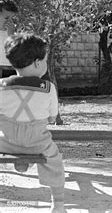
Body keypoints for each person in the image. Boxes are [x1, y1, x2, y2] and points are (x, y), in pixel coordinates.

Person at [0, 33, 65, 213]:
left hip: (6, 142)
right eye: (44, 60)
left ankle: (21, 162)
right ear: (38, 63)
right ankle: (58, 204)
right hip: (38, 143)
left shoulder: (1, 86)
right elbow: (52, 116)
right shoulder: (48, 88)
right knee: (55, 161)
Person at [0, 0, 19, 77]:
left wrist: (11, 35)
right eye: (7, 18)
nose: (10, 21)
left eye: (12, 18)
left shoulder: (13, 34)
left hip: (10, 71)